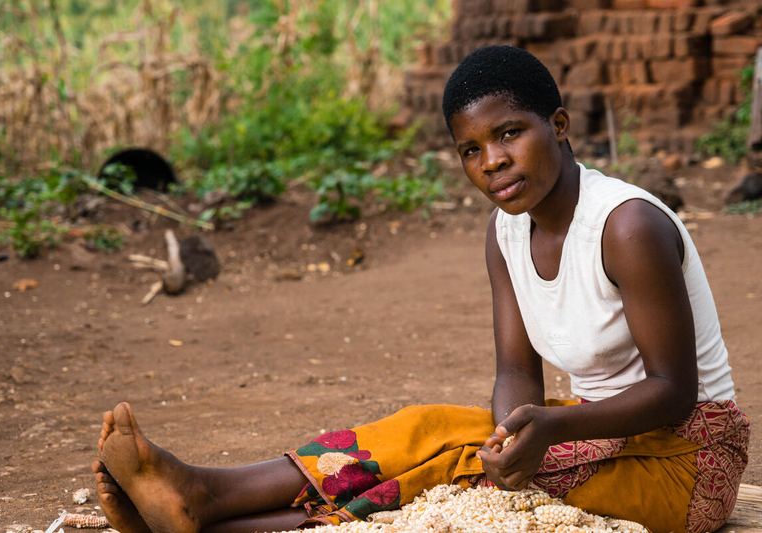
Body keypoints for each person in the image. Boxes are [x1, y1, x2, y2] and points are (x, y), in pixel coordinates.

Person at [91, 45, 749, 533]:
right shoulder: (505, 233)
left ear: (561, 125)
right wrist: (509, 435)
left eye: (510, 133)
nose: (492, 161)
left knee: (447, 457)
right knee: (445, 441)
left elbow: (674, 392)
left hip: (689, 460)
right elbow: (516, 370)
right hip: (600, 435)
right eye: (470, 149)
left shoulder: (627, 226)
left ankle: (207, 506)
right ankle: (198, 507)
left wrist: (553, 425)